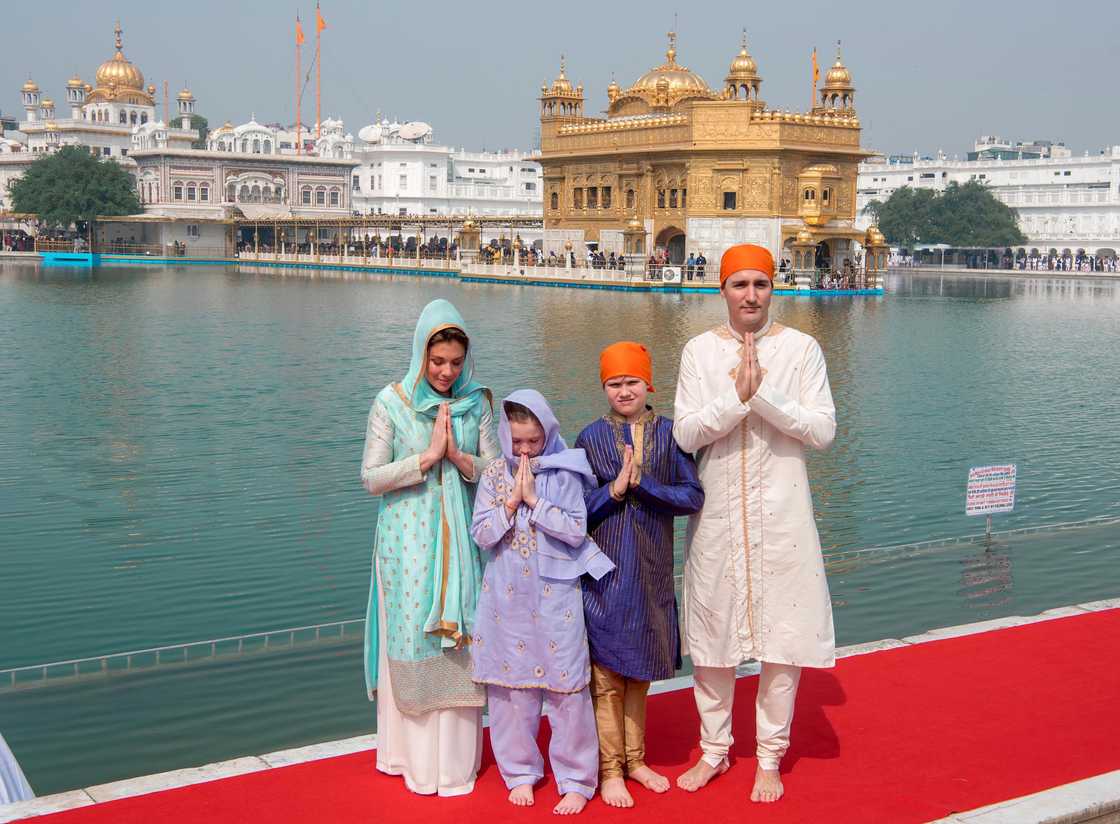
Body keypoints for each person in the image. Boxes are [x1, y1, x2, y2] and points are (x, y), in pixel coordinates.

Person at [672, 243, 836, 804]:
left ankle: (770, 756)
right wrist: (735, 398)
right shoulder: (698, 351)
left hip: (783, 514)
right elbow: (686, 434)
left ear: (774, 289)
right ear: (722, 290)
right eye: (739, 284)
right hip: (716, 514)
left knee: (782, 642)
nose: (750, 295)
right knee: (714, 642)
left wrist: (760, 394)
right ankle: (714, 751)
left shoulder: (802, 349)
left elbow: (822, 431)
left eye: (759, 284)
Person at [360, 298, 500, 797]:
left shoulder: (476, 403)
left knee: (461, 640)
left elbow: (497, 472)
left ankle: (454, 767)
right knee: (411, 637)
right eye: (437, 361)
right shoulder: (391, 402)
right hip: (407, 545)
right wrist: (425, 459)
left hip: (463, 544)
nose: (446, 372)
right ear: (420, 353)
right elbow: (371, 478)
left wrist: (459, 458)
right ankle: (410, 760)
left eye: (456, 363)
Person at [470, 390, 615, 815]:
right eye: (517, 442)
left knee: (568, 689)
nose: (526, 451)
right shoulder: (496, 474)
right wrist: (511, 500)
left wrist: (534, 500)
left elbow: (574, 529)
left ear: (548, 433)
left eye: (533, 441)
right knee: (511, 690)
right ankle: (520, 771)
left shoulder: (566, 471)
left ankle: (576, 778)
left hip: (556, 596)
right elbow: (480, 535)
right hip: (507, 595)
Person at [576, 342, 704, 808]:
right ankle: (610, 770)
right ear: (603, 386)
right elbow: (576, 512)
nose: (624, 390)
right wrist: (613, 490)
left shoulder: (671, 435)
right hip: (605, 575)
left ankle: (636, 760)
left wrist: (643, 484)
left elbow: (692, 497)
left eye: (632, 381)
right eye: (615, 383)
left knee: (638, 676)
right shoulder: (589, 438)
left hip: (651, 572)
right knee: (607, 675)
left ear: (648, 383)